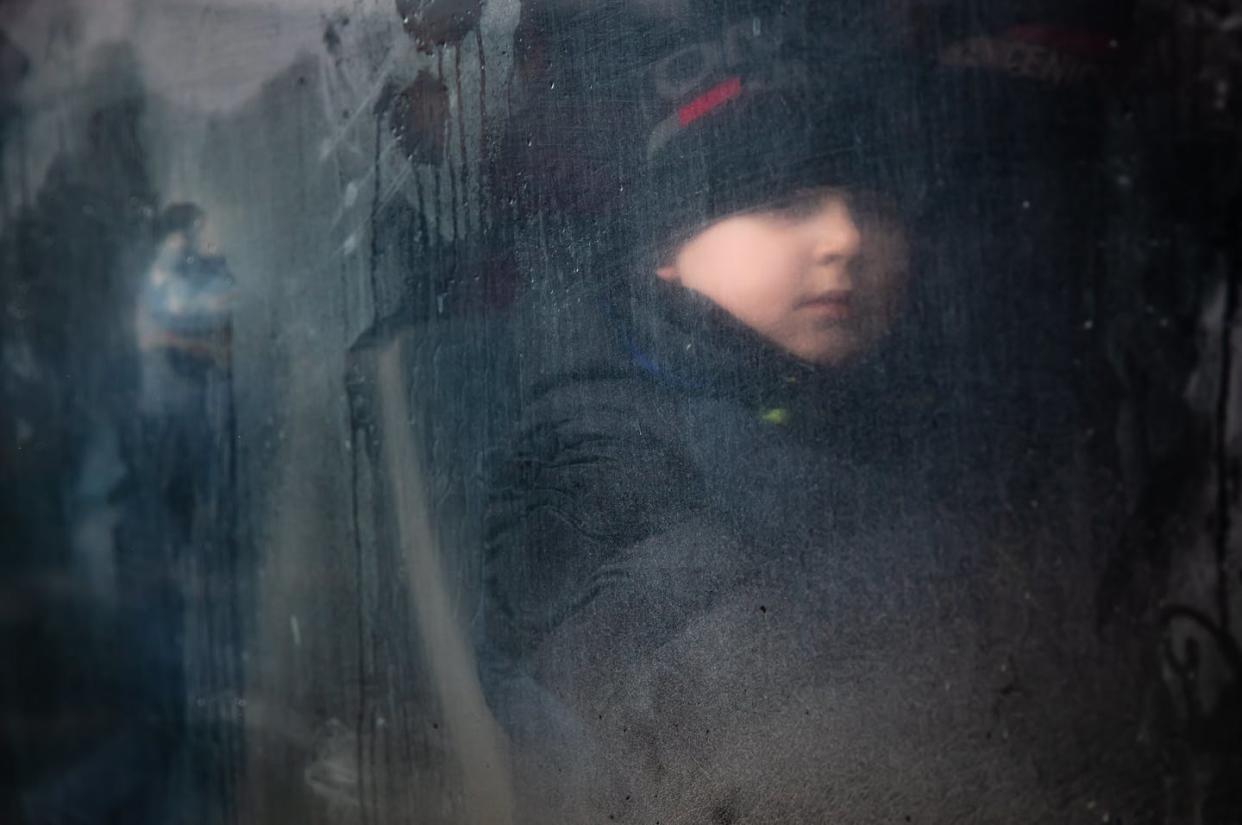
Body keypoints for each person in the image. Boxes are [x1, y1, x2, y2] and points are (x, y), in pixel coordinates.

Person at [475, 8, 1155, 823]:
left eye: (872, 203)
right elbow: (733, 729)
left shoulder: (929, 418)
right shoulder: (596, 460)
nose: (844, 237)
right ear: (665, 250)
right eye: (784, 201)